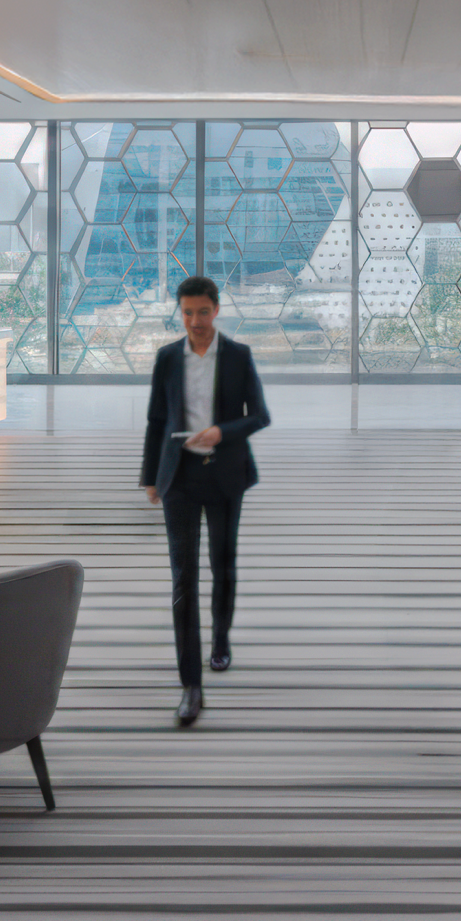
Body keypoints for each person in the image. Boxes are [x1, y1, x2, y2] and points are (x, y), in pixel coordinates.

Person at [140, 275, 270, 727]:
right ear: (181, 313)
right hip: (179, 476)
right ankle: (190, 685)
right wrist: (150, 478)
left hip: (225, 475)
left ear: (216, 310)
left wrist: (221, 431)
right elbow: (157, 419)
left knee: (222, 564)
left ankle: (221, 637)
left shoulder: (238, 356)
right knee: (183, 579)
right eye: (187, 312)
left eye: (202, 312)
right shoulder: (167, 358)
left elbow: (260, 416)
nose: (195, 321)